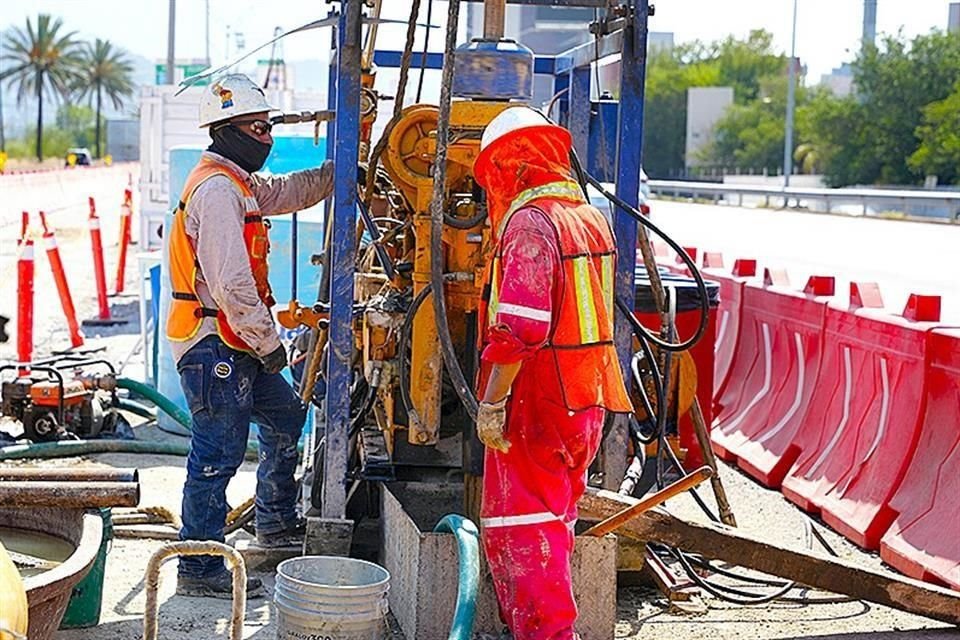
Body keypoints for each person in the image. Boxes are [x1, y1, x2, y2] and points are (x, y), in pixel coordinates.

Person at [166, 73, 334, 598]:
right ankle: (198, 567)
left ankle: (276, 522)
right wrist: (270, 345)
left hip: (234, 339)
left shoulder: (237, 183)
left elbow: (286, 191)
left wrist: (340, 171)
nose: (267, 138)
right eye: (258, 128)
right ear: (228, 131)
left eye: (268, 128)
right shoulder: (216, 191)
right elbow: (232, 283)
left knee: (287, 418)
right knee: (218, 451)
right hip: (213, 339)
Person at [472, 106, 634, 638]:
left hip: (534, 406)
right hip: (584, 400)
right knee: (555, 530)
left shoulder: (529, 225)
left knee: (524, 536)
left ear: (508, 166)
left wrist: (492, 403)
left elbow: (519, 329)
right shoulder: (590, 218)